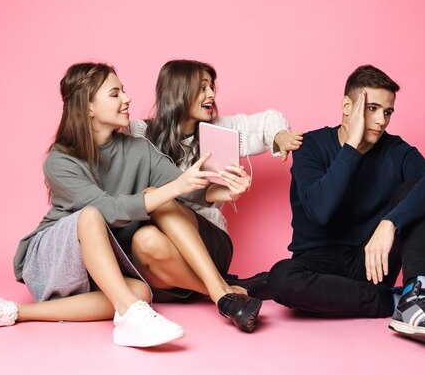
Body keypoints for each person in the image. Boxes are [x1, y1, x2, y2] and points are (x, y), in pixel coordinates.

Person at [0, 62, 263, 346]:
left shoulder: (138, 149)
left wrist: (225, 192)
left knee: (139, 291)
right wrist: (175, 187)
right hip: (57, 256)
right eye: (115, 93)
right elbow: (105, 210)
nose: (127, 98)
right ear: (88, 107)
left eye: (124, 90)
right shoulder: (60, 160)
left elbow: (186, 188)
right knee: (94, 214)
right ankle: (151, 312)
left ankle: (12, 312)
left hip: (107, 261)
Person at [267, 65, 425, 350]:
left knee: (417, 187)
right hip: (318, 265)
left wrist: (391, 222)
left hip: (372, 264)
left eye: (387, 112)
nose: (380, 121)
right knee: (281, 279)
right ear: (347, 106)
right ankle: (403, 299)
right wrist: (351, 146)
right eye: (372, 108)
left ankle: (421, 292)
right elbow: (320, 211)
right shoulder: (310, 146)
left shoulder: (394, 150)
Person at [128, 59, 303, 304]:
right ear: (179, 91)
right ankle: (222, 289)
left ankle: (217, 289)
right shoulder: (141, 133)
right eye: (202, 88)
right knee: (143, 240)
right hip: (162, 265)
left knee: (158, 198)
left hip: (209, 244)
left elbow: (266, 121)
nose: (211, 94)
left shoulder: (219, 130)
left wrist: (281, 136)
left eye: (211, 87)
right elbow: (103, 139)